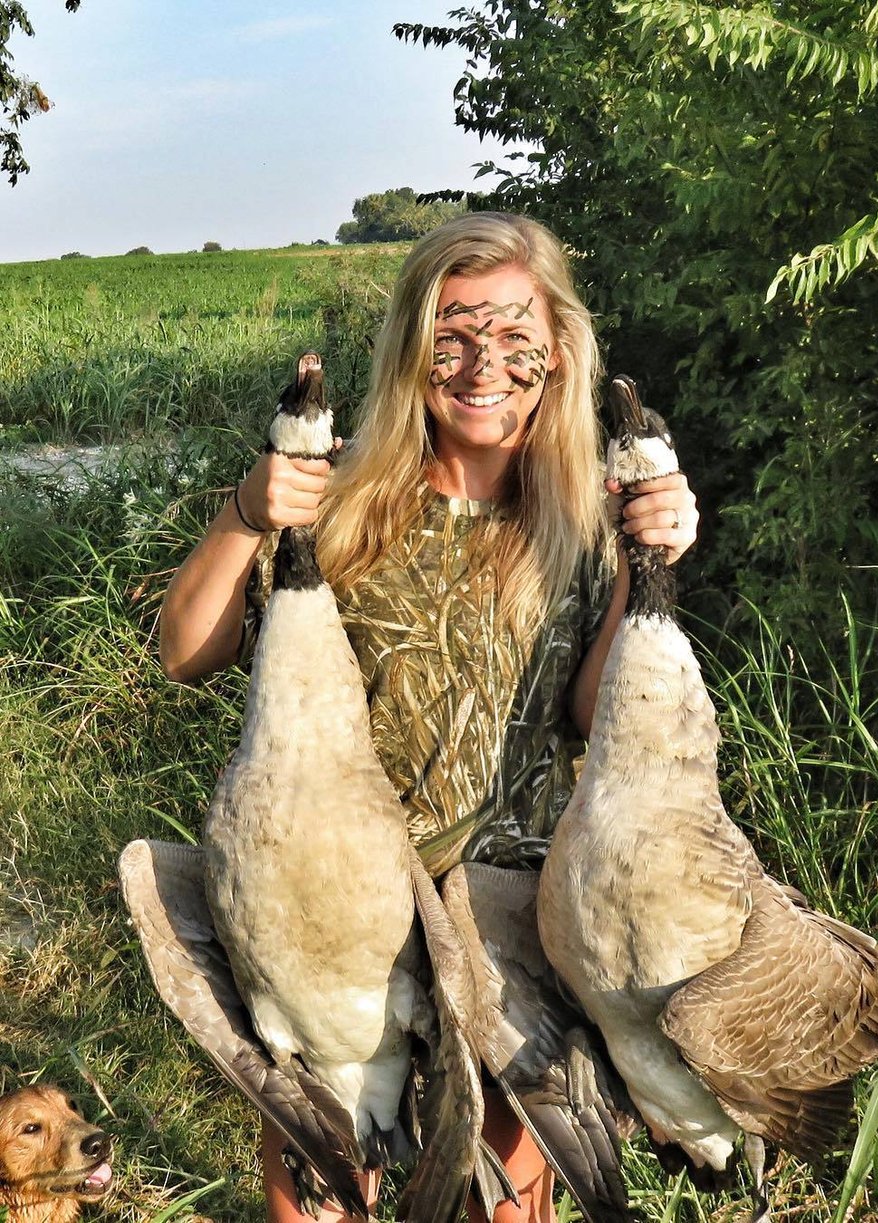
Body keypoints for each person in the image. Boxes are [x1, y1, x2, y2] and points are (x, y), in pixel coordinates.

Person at [159, 212, 698, 1223]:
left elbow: (589, 711)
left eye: (513, 336)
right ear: (414, 346)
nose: (483, 363)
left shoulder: (581, 520)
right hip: (334, 900)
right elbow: (186, 652)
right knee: (328, 1181)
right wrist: (246, 510)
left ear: (559, 352)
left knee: (505, 1192)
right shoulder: (343, 492)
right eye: (454, 333)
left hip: (504, 911)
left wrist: (649, 560)